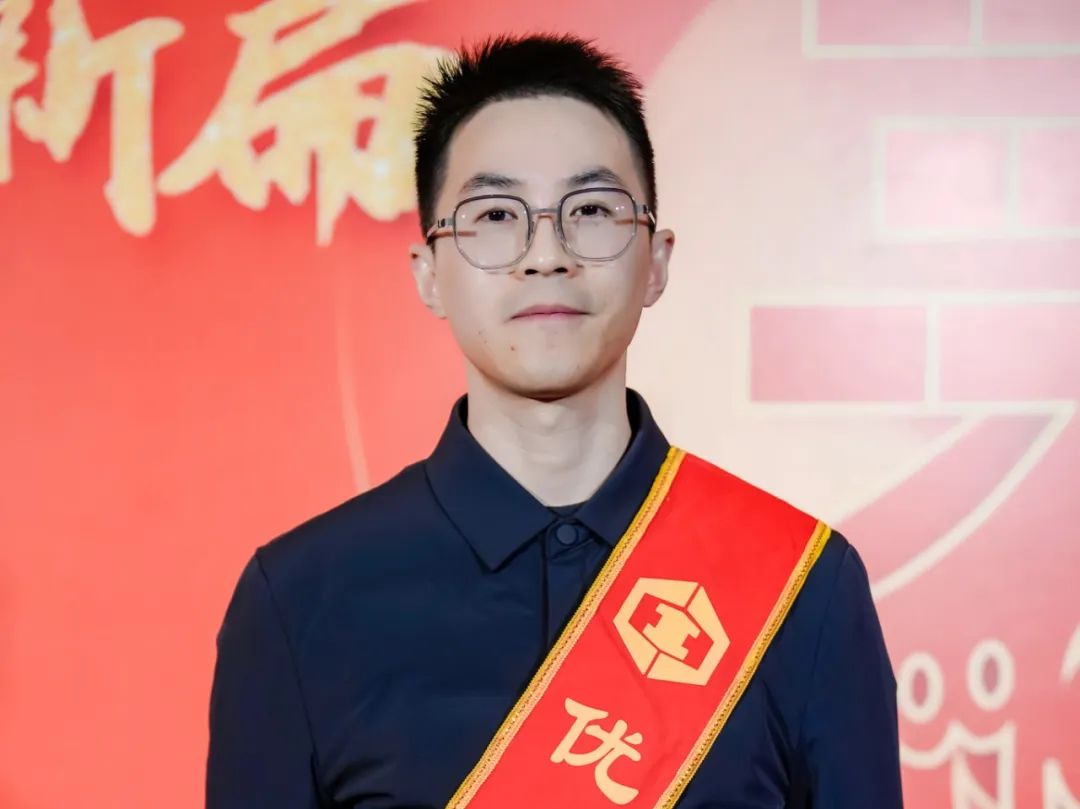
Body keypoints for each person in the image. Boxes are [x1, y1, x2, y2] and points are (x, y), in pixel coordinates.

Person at [206, 33, 903, 808]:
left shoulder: (804, 589)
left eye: (592, 210)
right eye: (495, 214)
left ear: (657, 261)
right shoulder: (301, 599)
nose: (545, 255)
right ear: (429, 273)